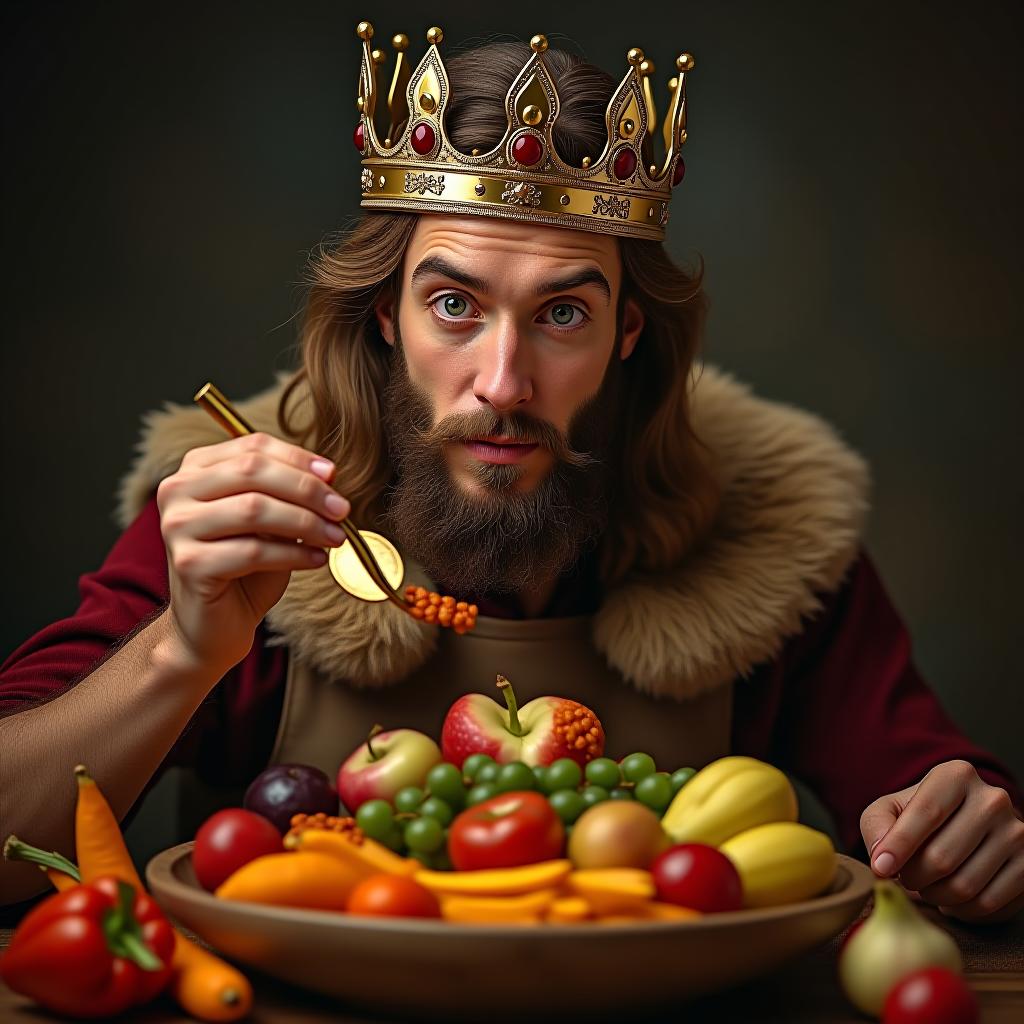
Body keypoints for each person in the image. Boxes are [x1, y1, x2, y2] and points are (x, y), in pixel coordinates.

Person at [2, 27, 1022, 920]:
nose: (502, 382)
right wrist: (182, 650)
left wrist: (961, 830)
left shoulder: (772, 537)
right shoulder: (237, 522)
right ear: (384, 321)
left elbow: (940, 804)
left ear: (626, 331)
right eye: (453, 305)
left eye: (562, 314)